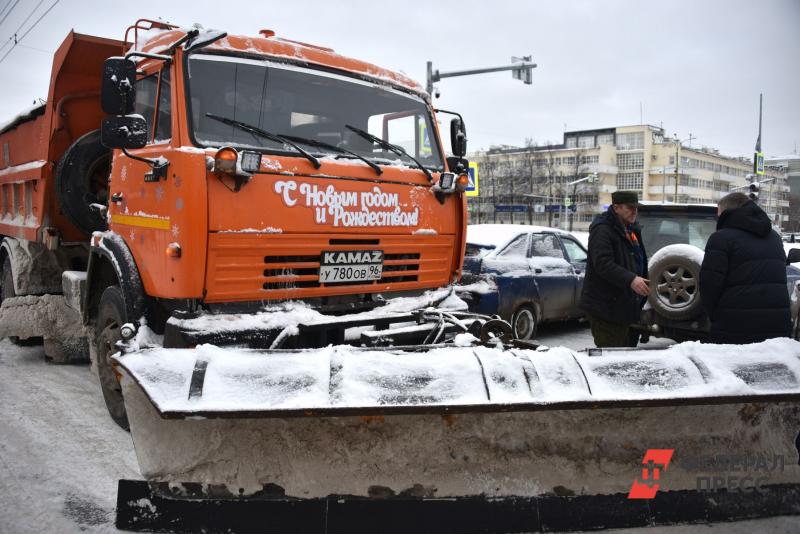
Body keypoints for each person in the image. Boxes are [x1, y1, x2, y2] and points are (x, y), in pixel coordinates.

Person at [699, 192, 790, 344]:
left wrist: (716, 315)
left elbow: (709, 284)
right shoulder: (774, 237)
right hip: (777, 328)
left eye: (719, 213)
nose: (718, 218)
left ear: (727, 212)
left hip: (734, 327)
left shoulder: (721, 238)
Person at [579, 191, 649, 347]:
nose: (634, 212)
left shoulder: (631, 230)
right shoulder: (602, 230)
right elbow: (603, 263)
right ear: (616, 208)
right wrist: (631, 279)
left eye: (636, 208)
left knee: (626, 359)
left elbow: (637, 260)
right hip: (606, 309)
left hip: (626, 308)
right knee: (611, 360)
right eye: (630, 208)